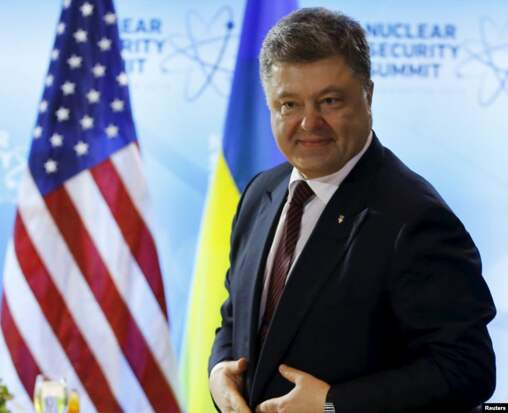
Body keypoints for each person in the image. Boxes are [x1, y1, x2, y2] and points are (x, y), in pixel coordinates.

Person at [208, 7, 496, 413]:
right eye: (289, 104)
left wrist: (333, 404)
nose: (309, 123)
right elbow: (235, 319)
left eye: (329, 101)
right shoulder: (259, 193)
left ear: (368, 96)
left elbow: (467, 369)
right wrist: (219, 371)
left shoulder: (415, 219)